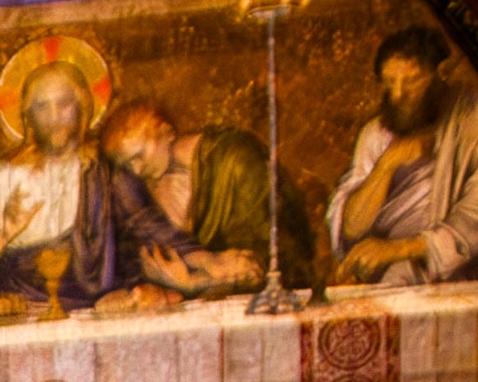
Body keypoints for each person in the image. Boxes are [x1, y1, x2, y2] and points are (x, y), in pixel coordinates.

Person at [0, 57, 182, 312]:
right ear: (28, 115)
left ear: (82, 107)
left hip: (104, 313)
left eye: (64, 104)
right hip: (24, 315)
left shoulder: (108, 172)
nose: (54, 117)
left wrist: (187, 275)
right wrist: (1, 239)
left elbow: (154, 235)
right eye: (42, 107)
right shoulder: (4, 178)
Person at [326, 25, 478, 286]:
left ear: (438, 74)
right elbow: (351, 228)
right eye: (390, 82)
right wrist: (387, 165)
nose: (399, 94)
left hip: (468, 274)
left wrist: (400, 249)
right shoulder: (374, 134)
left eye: (411, 81)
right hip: (389, 276)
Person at [98, 100, 317, 297]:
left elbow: (267, 266)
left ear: (167, 133)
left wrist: (193, 283)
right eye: (127, 164)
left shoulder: (236, 161)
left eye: (139, 156)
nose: (136, 170)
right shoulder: (141, 191)